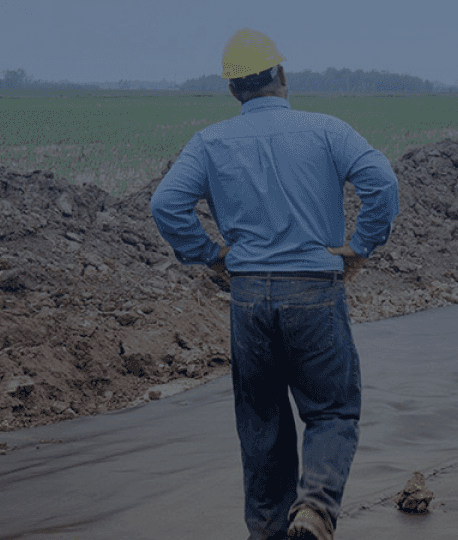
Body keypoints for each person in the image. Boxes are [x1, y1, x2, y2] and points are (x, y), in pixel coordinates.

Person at [150, 28, 399, 540]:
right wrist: (361, 245)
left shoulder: (210, 142)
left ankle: (267, 530)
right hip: (314, 291)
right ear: (281, 75)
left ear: (232, 90)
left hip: (247, 298)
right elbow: (382, 183)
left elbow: (164, 205)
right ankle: (313, 510)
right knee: (331, 410)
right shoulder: (327, 130)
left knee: (261, 423)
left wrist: (211, 254)